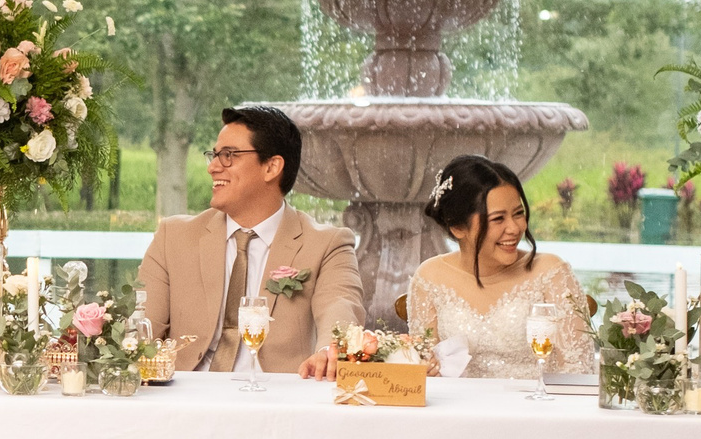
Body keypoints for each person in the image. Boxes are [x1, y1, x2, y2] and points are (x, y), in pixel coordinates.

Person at [135, 103, 365, 378]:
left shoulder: (328, 245)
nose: (213, 167)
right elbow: (141, 330)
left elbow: (340, 309)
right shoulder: (173, 237)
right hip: (185, 392)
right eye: (214, 155)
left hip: (278, 396)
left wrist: (329, 350)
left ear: (271, 167)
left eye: (228, 155)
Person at [402, 154, 595, 381]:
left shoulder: (551, 273)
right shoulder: (430, 277)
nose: (515, 228)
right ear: (457, 227)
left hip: (537, 402)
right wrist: (427, 369)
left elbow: (577, 372)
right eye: (498, 219)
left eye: (518, 213)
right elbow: (423, 372)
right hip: (459, 404)